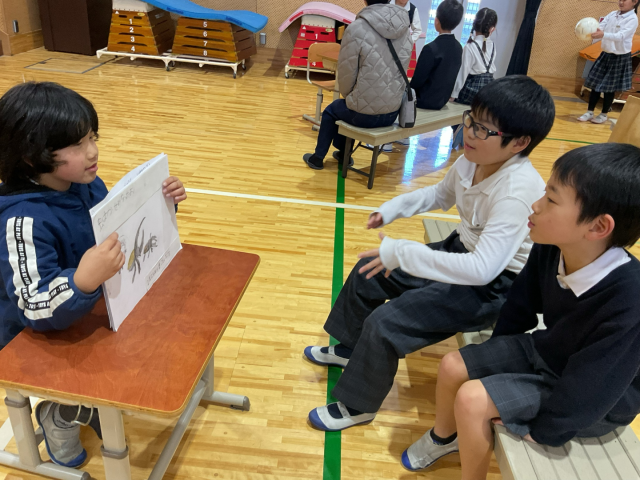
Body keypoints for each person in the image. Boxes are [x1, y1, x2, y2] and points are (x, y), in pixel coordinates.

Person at [303, 76, 556, 432]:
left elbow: (482, 271)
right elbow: (438, 194)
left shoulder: (517, 191)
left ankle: (358, 405)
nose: (469, 132)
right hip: (460, 252)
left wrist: (403, 253)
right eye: (471, 120)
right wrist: (391, 209)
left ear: (520, 142)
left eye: (483, 129)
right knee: (367, 272)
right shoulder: (472, 160)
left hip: (494, 288)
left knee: (386, 323)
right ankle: (349, 350)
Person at [401, 143, 640, 480]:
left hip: (595, 403)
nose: (536, 205)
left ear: (598, 227)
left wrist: (547, 430)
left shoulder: (629, 297)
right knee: (453, 365)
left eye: (551, 199)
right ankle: (444, 439)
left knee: (472, 400)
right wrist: (494, 357)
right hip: (551, 353)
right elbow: (520, 307)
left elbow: (596, 384)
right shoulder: (552, 247)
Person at [0, 82, 187, 468]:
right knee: (110, 372)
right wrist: (81, 281)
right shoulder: (22, 221)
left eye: (92, 137)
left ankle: (85, 405)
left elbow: (117, 232)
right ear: (32, 157)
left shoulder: (85, 185)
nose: (92, 151)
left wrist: (161, 205)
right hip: (33, 336)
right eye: (76, 144)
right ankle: (61, 413)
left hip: (85, 310)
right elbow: (32, 305)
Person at [302, 0, 412, 170]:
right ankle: (343, 154)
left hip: (363, 115)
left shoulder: (357, 28)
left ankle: (318, 157)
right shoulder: (406, 30)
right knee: (351, 105)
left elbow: (346, 74)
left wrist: (350, 96)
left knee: (333, 110)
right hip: (393, 112)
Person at [377, 0, 463, 152]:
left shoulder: (431, 48)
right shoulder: (458, 47)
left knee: (396, 91)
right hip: (441, 100)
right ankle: (403, 137)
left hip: (425, 100)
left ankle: (388, 139)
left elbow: (417, 81)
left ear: (437, 21)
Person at [578, 0, 639, 124]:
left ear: (634, 2)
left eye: (625, 0)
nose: (621, 2)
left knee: (609, 89)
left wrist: (603, 34)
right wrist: (591, 31)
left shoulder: (632, 19)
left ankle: (604, 114)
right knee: (595, 85)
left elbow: (621, 36)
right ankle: (589, 112)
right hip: (605, 55)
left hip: (619, 58)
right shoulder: (612, 14)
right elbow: (601, 26)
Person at [450, 8, 498, 149]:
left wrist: (453, 95)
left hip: (472, 90)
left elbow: (462, 73)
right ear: (492, 29)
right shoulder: (492, 45)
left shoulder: (470, 46)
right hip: (489, 89)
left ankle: (459, 130)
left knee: (456, 105)